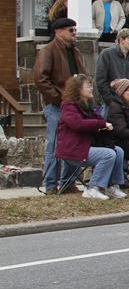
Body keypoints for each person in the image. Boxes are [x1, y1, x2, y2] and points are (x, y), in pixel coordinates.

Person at [33, 17, 88, 194]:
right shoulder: (48, 50)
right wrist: (59, 99)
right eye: (71, 30)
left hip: (75, 105)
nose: (74, 33)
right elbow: (41, 79)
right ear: (58, 32)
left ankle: (68, 183)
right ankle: (50, 185)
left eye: (75, 30)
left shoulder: (76, 52)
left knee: (75, 143)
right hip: (56, 106)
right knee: (55, 144)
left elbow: (82, 77)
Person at [54, 75, 127, 200]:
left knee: (118, 151)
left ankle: (112, 186)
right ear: (78, 89)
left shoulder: (87, 106)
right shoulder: (68, 106)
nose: (91, 89)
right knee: (108, 154)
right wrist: (101, 124)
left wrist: (106, 124)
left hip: (85, 146)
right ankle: (92, 188)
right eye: (88, 86)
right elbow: (77, 124)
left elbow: (98, 119)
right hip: (74, 150)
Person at [94, 28, 129, 108]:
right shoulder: (106, 54)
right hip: (111, 106)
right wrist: (110, 101)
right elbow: (100, 80)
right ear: (121, 40)